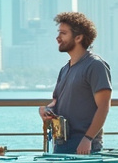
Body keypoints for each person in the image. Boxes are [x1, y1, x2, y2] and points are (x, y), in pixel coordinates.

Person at [38, 12, 112, 155]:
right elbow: (56, 102)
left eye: (63, 33)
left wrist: (88, 138)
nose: (58, 38)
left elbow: (104, 106)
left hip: (84, 147)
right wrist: (46, 110)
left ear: (78, 37)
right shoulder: (64, 69)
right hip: (60, 145)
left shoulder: (95, 65)